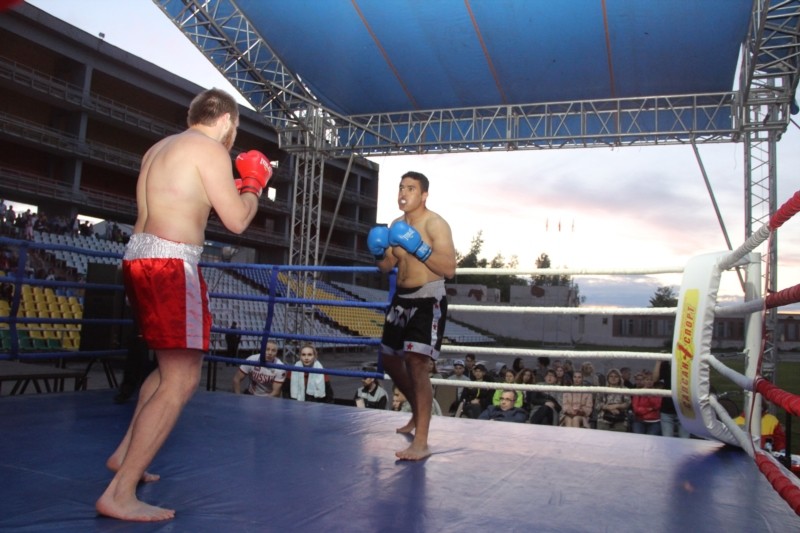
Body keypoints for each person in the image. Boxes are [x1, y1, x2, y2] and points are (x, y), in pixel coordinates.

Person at [96, 88, 272, 522]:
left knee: (165, 369)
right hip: (171, 264)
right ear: (227, 121)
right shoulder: (211, 149)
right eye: (235, 128)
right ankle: (120, 493)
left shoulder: (160, 148)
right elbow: (237, 220)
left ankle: (124, 455)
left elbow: (180, 203)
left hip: (138, 258)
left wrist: (233, 186)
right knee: (183, 380)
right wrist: (253, 184)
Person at [368, 171, 456, 461]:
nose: (403, 193)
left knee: (417, 364)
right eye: (401, 187)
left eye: (411, 188)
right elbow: (387, 267)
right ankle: (418, 413)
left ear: (424, 195)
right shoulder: (396, 225)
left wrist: (418, 247)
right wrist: (378, 252)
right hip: (401, 299)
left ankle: (421, 442)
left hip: (428, 298)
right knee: (390, 360)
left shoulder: (435, 223)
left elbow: (449, 269)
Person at [654, 360, 689, 438]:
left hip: (684, 409)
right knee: (667, 439)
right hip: (667, 409)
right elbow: (655, 379)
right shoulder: (666, 364)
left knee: (685, 440)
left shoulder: (687, 363)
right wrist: (658, 361)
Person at [631, 370, 662, 435]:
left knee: (650, 439)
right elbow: (636, 409)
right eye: (647, 380)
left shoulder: (657, 392)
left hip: (654, 421)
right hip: (639, 420)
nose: (649, 382)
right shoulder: (638, 392)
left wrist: (649, 395)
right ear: (643, 381)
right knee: (638, 439)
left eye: (651, 380)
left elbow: (657, 405)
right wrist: (650, 409)